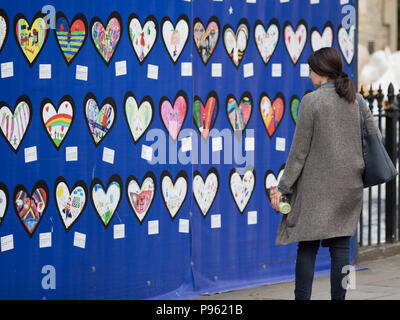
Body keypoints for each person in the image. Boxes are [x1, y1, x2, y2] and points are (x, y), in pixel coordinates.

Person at [270, 47, 382, 300]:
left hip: (316, 190)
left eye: (311, 70)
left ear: (321, 72)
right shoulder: (358, 101)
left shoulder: (312, 101)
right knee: (342, 247)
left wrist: (283, 187)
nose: (309, 75)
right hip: (349, 186)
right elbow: (373, 139)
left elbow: (299, 152)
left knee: (307, 246)